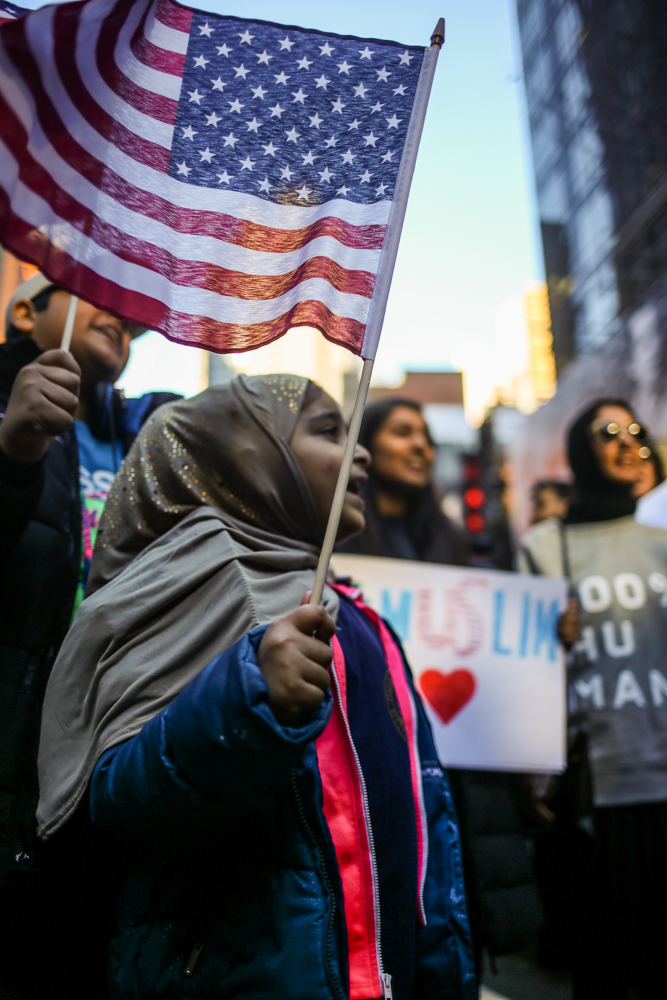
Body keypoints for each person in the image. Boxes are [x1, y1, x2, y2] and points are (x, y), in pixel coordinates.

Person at [36, 375, 476, 1000]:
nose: (362, 453)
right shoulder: (188, 588)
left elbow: (420, 825)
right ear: (245, 456)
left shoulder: (358, 614)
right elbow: (119, 802)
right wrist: (246, 699)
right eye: (328, 431)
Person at [0, 274, 179, 996]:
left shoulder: (155, 439)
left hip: (104, 785)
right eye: (92, 287)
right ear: (23, 311)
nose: (123, 315)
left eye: (131, 312)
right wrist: (11, 457)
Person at [339, 398, 543, 984]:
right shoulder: (338, 546)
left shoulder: (458, 543)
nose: (421, 445)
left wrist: (548, 634)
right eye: (403, 432)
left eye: (426, 435)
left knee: (458, 935)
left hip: (464, 777)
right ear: (367, 449)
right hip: (386, 768)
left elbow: (500, 658)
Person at [519, 398, 667, 1000]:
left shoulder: (662, 539)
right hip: (599, 787)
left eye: (636, 430)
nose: (627, 441)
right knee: (614, 965)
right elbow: (524, 669)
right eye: (609, 432)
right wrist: (545, 633)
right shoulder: (545, 545)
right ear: (581, 449)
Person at [338, 397, 468, 564]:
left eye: (428, 438)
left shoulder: (451, 540)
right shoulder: (333, 535)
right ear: (364, 445)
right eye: (402, 432)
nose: (421, 445)